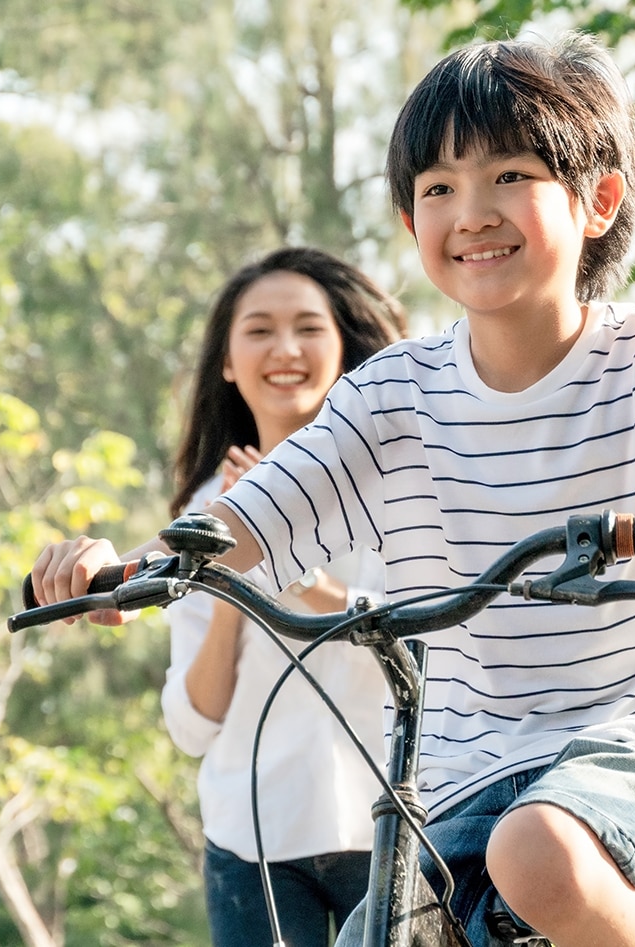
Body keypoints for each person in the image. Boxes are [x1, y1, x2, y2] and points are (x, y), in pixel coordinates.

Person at [36, 33, 635, 947]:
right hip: (464, 766)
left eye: (510, 177)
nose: (472, 212)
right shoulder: (393, 394)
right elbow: (254, 514)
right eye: (439, 189)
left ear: (598, 199)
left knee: (539, 851)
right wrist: (126, 573)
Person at [160, 247, 406, 947]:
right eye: (260, 330)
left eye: (308, 327)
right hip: (252, 837)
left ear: (343, 349)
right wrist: (233, 567)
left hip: (393, 823)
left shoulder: (398, 489)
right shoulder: (202, 514)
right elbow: (192, 725)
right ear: (229, 364)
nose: (286, 349)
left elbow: (428, 640)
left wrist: (290, 564)